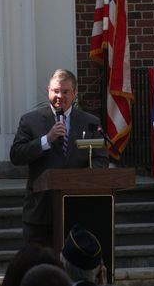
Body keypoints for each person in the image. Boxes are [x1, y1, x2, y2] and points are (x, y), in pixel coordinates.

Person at [10, 68, 109, 245]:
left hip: (79, 209)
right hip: (41, 211)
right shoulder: (30, 121)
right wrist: (46, 140)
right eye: (56, 91)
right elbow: (16, 155)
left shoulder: (90, 122)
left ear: (75, 93)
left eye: (65, 92)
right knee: (39, 268)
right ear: (48, 90)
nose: (60, 96)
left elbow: (101, 159)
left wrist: (83, 179)